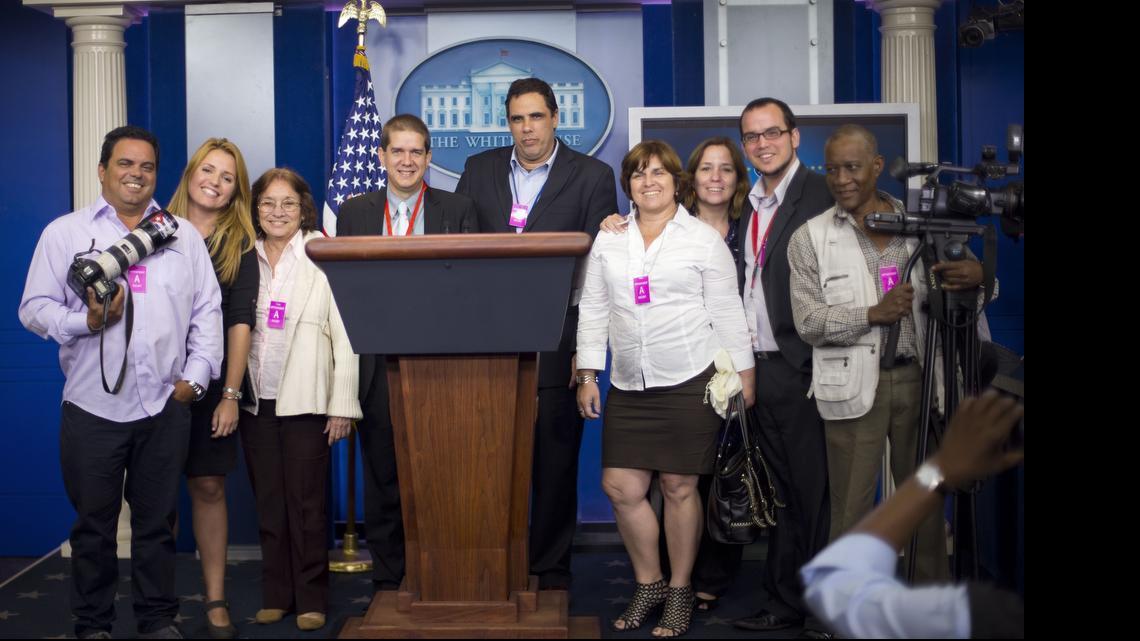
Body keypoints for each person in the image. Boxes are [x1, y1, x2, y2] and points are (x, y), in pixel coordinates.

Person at [19, 125, 223, 640]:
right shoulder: (64, 234)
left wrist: (193, 384)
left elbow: (208, 313)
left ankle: (157, 620)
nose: (136, 175)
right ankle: (93, 625)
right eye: (125, 164)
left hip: (164, 406)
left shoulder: (183, 236)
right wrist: (83, 323)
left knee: (158, 526)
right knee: (94, 528)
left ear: (157, 173)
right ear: (103, 170)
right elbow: (34, 309)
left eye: (147, 166)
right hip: (91, 408)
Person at [788, 124, 989, 582]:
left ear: (877, 167)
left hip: (920, 381)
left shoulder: (922, 226)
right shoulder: (810, 238)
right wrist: (871, 314)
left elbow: (974, 296)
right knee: (851, 508)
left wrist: (978, 276)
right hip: (854, 384)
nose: (841, 179)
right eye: (833, 169)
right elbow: (808, 322)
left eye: (853, 167)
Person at [577, 140, 755, 638]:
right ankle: (648, 581)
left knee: (679, 487)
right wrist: (590, 373)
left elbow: (727, 313)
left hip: (690, 379)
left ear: (677, 181)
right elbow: (593, 310)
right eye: (637, 174)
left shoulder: (702, 240)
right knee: (622, 486)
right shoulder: (610, 239)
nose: (648, 182)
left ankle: (679, 589)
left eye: (658, 173)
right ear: (627, 184)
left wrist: (744, 377)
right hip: (630, 384)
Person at [455, 76, 618, 590]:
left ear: (555, 117)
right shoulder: (479, 170)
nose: (527, 128)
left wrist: (586, 354)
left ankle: (550, 572)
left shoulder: (593, 175)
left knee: (553, 462)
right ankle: (492, 566)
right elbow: (458, 246)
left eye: (536, 117)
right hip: (488, 338)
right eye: (517, 119)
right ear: (509, 123)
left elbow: (596, 270)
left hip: (558, 334)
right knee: (488, 461)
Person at [337, 114, 478, 591]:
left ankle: (441, 573)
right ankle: (392, 580)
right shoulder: (354, 212)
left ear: (429, 157)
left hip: (441, 364)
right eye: (397, 151)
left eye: (416, 151)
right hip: (376, 364)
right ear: (381, 156)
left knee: (441, 474)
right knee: (384, 477)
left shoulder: (458, 209)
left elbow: (468, 291)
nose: (406, 160)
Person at [240, 168, 361, 632]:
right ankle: (277, 593)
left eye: (287, 203)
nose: (277, 212)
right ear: (255, 208)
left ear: (303, 208)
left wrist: (343, 403)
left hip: (308, 401)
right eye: (268, 203)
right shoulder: (243, 257)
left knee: (308, 505)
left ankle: (312, 598)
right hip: (256, 402)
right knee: (269, 504)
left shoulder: (321, 254)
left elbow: (347, 333)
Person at [731, 98, 835, 637]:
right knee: (784, 494)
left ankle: (817, 607)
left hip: (804, 366)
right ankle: (786, 600)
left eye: (772, 133)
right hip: (761, 368)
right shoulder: (752, 202)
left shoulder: (820, 193)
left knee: (812, 494)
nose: (762, 144)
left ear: (795, 137)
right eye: (752, 136)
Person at [800, 390, 1025, 638]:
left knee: (928, 519)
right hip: (854, 377)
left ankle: (936, 620)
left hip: (919, 377)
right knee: (851, 511)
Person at [164, 137, 257, 639]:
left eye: (227, 177)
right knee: (156, 496)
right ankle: (158, 600)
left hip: (210, 386)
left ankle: (215, 598)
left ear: (235, 191)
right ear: (191, 173)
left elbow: (240, 323)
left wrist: (230, 395)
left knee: (207, 484)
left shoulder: (237, 243)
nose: (215, 182)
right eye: (208, 170)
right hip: (151, 387)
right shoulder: (154, 229)